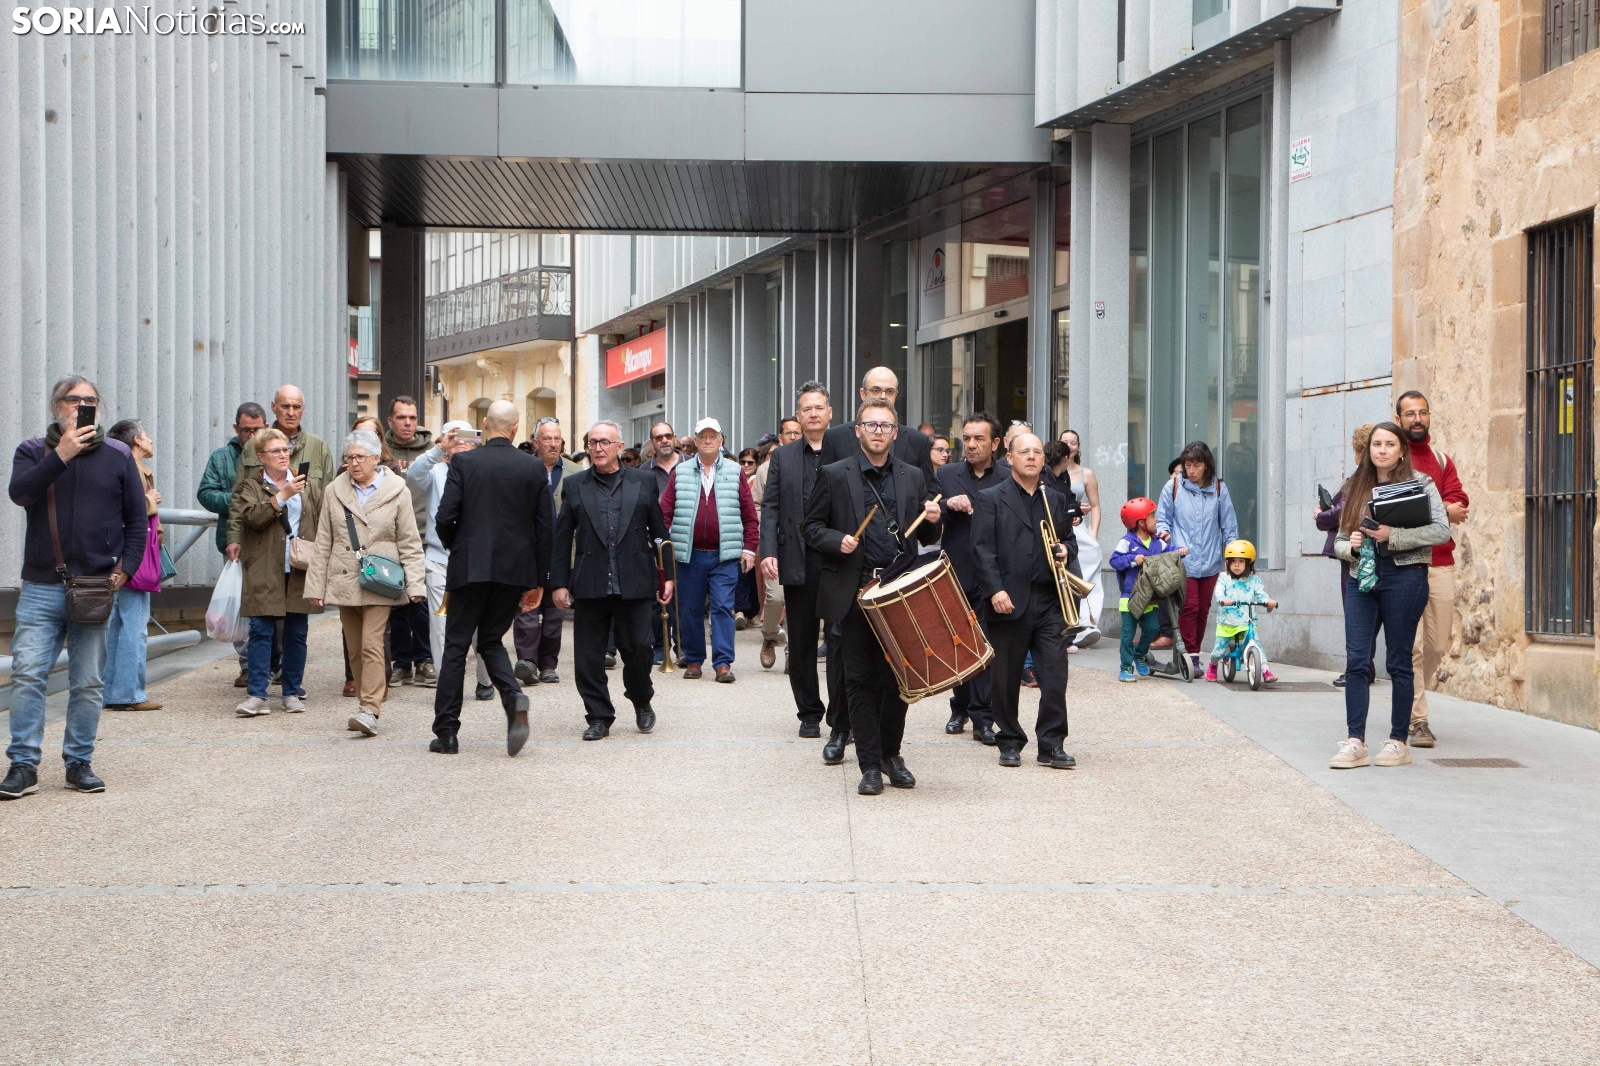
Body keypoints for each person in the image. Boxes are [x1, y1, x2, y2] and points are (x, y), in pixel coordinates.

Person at [3, 376, 147, 799]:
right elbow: (20, 494)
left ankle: (78, 762)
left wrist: (126, 569)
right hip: (41, 585)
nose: (82, 406)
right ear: (57, 406)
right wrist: (62, 454)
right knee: (27, 674)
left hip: (95, 586)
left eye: (90, 400)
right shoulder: (33, 451)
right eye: (73, 400)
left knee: (87, 681)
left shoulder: (118, 455)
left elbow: (137, 520)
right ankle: (23, 765)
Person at [804, 398, 942, 795]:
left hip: (899, 590)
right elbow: (811, 527)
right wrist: (837, 540)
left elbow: (925, 535)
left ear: (895, 433)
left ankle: (890, 754)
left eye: (885, 426)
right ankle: (868, 764)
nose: (878, 431)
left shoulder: (913, 475)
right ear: (858, 431)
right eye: (871, 425)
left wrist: (934, 521)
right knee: (859, 678)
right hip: (856, 591)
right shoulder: (834, 474)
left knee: (899, 677)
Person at [428, 402, 552, 756]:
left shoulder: (465, 462)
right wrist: (538, 579)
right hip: (513, 570)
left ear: (485, 424)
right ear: (515, 429)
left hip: (470, 566)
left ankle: (447, 732)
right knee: (492, 640)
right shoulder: (532, 467)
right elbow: (546, 528)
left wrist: (456, 545)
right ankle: (512, 696)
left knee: (456, 646)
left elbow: (444, 516)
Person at [1330, 422, 1451, 770]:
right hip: (1362, 580)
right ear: (1368, 451)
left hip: (1406, 578)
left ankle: (1398, 741)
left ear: (1401, 451)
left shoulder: (1421, 484)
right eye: (1376, 444)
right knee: (1356, 660)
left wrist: (1392, 535)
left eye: (1389, 444)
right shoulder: (1355, 486)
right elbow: (1339, 541)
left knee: (1399, 660)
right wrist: (1351, 546)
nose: (1382, 450)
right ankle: (1355, 742)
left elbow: (1441, 530)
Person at [550, 421, 673, 740]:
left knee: (640, 651)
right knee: (588, 658)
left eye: (605, 442)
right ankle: (599, 716)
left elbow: (660, 533)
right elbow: (562, 539)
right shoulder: (575, 485)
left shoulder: (644, 481)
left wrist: (668, 577)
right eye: (592, 443)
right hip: (591, 581)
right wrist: (559, 583)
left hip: (634, 579)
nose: (598, 448)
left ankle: (641, 699)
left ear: (620, 447)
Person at [304, 430, 426, 737]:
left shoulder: (397, 490)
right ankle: (365, 704)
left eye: (360, 457)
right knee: (355, 649)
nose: (354, 463)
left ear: (376, 458)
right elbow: (323, 541)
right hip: (345, 577)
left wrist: (416, 585)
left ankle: (370, 708)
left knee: (372, 643)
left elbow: (409, 541)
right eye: (350, 457)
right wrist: (315, 587)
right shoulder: (334, 490)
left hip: (380, 579)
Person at [970, 433, 1077, 770]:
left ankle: (1052, 744)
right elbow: (981, 550)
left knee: (1055, 676)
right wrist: (995, 590)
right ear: (1010, 458)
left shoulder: (1055, 498)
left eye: (1036, 452)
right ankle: (1010, 741)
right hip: (1008, 600)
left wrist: (1066, 550)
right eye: (1024, 451)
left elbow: (1069, 540)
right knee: (1004, 677)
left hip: (1049, 600)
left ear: (1043, 460)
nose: (1031, 456)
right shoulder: (990, 498)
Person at [760, 383, 837, 735]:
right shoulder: (783, 457)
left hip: (837, 561)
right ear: (798, 416)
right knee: (802, 641)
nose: (813, 414)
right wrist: (768, 551)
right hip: (797, 557)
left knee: (839, 640)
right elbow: (771, 508)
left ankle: (840, 715)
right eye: (807, 409)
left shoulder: (845, 450)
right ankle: (809, 713)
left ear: (830, 413)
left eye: (819, 408)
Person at [231, 428, 323, 716]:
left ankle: (291, 692)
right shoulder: (250, 486)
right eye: (275, 451)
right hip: (264, 566)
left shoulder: (308, 485)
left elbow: (321, 520)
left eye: (285, 450)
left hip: (299, 567)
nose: (283, 455)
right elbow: (253, 517)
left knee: (297, 632)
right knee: (261, 630)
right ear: (261, 457)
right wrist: (283, 495)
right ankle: (258, 695)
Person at [1395, 391, 1469, 748]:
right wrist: (1441, 509)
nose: (1417, 419)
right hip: (1405, 564)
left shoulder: (1441, 460)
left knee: (1437, 645)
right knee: (1413, 648)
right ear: (1399, 420)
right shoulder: (1393, 460)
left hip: (1440, 563)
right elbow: (1400, 507)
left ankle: (1405, 691)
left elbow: (1460, 501)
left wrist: (1436, 507)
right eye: (1410, 413)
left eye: (1423, 412)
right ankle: (1418, 719)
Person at [661, 417, 758, 682]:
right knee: (690, 609)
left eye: (712, 436)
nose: (707, 440)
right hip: (689, 555)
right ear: (694, 441)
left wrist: (749, 549)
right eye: (702, 436)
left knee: (723, 608)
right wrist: (659, 543)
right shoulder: (680, 472)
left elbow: (750, 515)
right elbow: (665, 512)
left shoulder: (735, 471)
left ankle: (723, 663)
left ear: (721, 440)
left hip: (724, 556)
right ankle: (693, 660)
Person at [407, 420, 496, 703]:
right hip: (439, 560)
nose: (461, 444)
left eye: (467, 439)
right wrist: (439, 449)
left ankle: (485, 679)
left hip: (477, 561)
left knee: (481, 626)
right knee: (440, 625)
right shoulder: (435, 471)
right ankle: (448, 684)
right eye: (455, 439)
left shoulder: (485, 472)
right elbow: (413, 474)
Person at [936, 413, 1010, 744]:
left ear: (995, 443)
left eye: (979, 438)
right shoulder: (947, 474)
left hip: (994, 573)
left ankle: (983, 717)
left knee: (985, 643)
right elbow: (929, 514)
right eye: (966, 438)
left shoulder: (1007, 477)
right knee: (959, 643)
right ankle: (960, 707)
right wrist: (947, 505)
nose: (971, 444)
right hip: (957, 571)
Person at [197, 401, 267, 687]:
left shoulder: (274, 453)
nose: (251, 435)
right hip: (235, 542)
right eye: (246, 430)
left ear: (266, 427)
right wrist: (240, 500)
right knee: (240, 605)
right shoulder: (221, 457)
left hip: (270, 539)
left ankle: (271, 661)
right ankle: (248, 665)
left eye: (257, 430)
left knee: (269, 604)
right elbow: (205, 493)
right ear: (236, 428)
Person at [1155, 441, 1239, 677]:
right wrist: (1164, 533)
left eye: (1196, 465)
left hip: (1211, 561)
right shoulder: (1173, 486)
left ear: (1207, 466)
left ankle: (1194, 653)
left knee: (1203, 610)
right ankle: (1190, 657)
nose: (1191, 470)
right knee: (1189, 608)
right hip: (1184, 560)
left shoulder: (1219, 489)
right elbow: (1163, 519)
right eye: (1188, 465)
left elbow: (1229, 526)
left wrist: (1231, 556)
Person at [100, 420, 164, 713]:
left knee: (118, 625)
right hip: (134, 554)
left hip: (120, 554)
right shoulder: (133, 469)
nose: (150, 439)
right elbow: (128, 511)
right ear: (136, 440)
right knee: (134, 626)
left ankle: (114, 691)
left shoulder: (121, 466)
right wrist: (150, 501)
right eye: (146, 435)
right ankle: (130, 692)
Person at [513, 417, 579, 685]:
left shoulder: (576, 472)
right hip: (528, 552)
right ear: (535, 443)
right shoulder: (522, 469)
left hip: (563, 553)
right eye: (547, 439)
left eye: (557, 439)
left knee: (555, 611)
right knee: (527, 607)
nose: (553, 444)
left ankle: (548, 664)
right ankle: (527, 661)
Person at [229, 384, 335, 543]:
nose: (291, 413)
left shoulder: (319, 447)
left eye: (296, 407)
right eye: (285, 406)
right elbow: (238, 496)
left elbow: (327, 501)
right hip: (261, 541)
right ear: (274, 407)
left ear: (303, 409)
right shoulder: (253, 445)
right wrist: (234, 538)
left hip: (304, 543)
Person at [1315, 424, 1378, 688]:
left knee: (1356, 615)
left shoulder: (1359, 480)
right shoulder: (1372, 478)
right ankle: (1364, 667)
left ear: (1360, 451)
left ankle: (1359, 669)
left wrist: (1321, 515)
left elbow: (1341, 512)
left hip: (1356, 550)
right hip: (1363, 548)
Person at [384, 396, 435, 688]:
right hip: (390, 538)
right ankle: (402, 663)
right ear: (390, 421)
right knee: (397, 603)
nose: (407, 423)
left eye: (412, 418)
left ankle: (424, 659)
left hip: (423, 536)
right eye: (401, 417)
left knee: (421, 602)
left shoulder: (430, 451)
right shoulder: (383, 450)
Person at [1109, 498, 1186, 683]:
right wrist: (1133, 559)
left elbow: (1169, 550)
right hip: (1131, 596)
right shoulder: (1127, 542)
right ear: (1141, 522)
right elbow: (1114, 560)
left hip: (1151, 596)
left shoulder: (1156, 541)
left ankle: (1140, 654)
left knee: (1152, 628)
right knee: (1128, 634)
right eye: (1152, 516)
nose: (1156, 518)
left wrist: (1180, 550)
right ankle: (1125, 668)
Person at [821, 368, 936, 486]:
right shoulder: (835, 438)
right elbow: (825, 486)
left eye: (890, 391)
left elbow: (929, 490)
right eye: (876, 390)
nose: (883, 396)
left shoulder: (917, 441)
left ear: (896, 395)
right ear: (863, 394)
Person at [640, 421, 684, 665]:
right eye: (658, 437)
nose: (664, 440)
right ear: (652, 443)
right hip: (655, 542)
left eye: (668, 435)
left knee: (684, 596)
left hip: (685, 540)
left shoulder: (690, 465)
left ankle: (683, 646)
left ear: (675, 438)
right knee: (658, 596)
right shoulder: (643, 472)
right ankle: (659, 646)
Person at [1057, 429, 1103, 648]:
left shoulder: (1087, 473)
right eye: (1065, 441)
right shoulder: (1052, 472)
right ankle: (1069, 626)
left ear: (1078, 446)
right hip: (1061, 530)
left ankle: (1088, 624)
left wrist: (1093, 534)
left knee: (1087, 577)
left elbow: (1095, 506)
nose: (1069, 446)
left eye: (1073, 442)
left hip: (1080, 533)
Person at [1207, 541, 1277, 683]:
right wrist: (1223, 599)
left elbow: (1261, 594)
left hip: (1247, 621)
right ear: (1228, 562)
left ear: (1249, 563)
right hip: (1227, 621)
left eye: (1241, 561)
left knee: (1256, 643)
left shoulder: (1254, 580)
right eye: (1233, 561)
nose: (1237, 565)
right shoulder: (1224, 578)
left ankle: (1265, 670)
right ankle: (1212, 665)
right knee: (1219, 651)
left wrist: (1268, 601)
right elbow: (1219, 593)